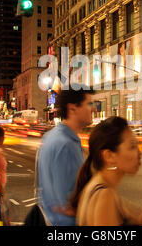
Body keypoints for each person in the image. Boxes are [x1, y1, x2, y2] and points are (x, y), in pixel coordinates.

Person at [70, 116, 142, 226]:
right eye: (132, 146)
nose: (139, 153)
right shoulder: (105, 195)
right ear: (109, 156)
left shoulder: (104, 189)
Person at [37, 85, 95, 226]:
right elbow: (67, 204)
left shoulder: (53, 136)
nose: (94, 109)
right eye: (89, 104)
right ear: (72, 108)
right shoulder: (65, 145)